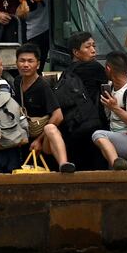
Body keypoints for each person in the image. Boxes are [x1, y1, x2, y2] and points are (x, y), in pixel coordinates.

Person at [13, 44, 75, 173]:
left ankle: (64, 164)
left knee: (50, 127)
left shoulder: (42, 86)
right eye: (22, 61)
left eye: (30, 61)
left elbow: (58, 116)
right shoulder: (17, 81)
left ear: (38, 64)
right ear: (16, 63)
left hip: (45, 139)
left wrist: (38, 140)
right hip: (25, 137)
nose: (25, 65)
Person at [58, 32, 109, 170]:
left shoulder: (65, 73)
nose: (93, 50)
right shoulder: (95, 68)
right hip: (94, 126)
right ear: (76, 52)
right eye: (87, 47)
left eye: (94, 46)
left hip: (72, 128)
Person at [91, 51, 127, 171]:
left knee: (98, 134)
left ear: (108, 69)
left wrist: (114, 107)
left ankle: (116, 163)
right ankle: (116, 166)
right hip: (116, 140)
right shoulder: (111, 87)